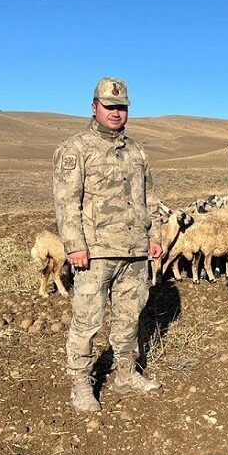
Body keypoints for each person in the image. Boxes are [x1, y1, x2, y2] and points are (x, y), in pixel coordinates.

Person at [53, 77, 164, 413]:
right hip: (95, 252)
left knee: (129, 317)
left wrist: (155, 235)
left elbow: (149, 198)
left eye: (122, 107)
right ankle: (81, 385)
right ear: (94, 107)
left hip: (133, 250)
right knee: (87, 320)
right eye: (110, 106)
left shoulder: (136, 152)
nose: (116, 113)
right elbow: (66, 202)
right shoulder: (75, 149)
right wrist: (74, 245)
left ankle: (125, 374)